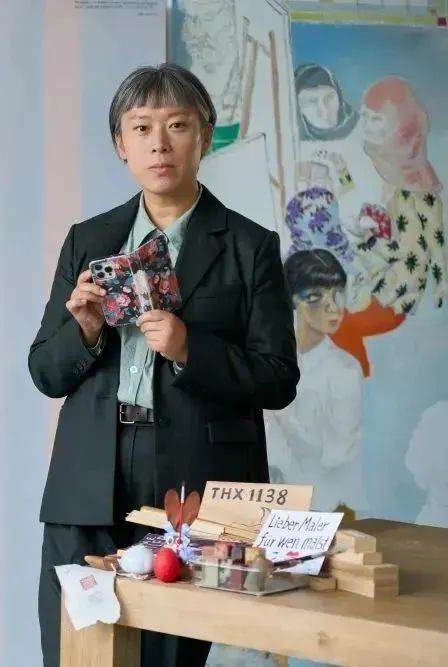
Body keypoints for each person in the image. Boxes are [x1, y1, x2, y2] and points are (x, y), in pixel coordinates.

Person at [28, 63, 299, 667]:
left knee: (165, 658)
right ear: (120, 144)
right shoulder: (88, 240)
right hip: (87, 476)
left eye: (177, 125)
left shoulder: (249, 246)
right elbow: (45, 371)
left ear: (203, 137)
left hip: (192, 483)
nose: (159, 143)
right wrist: (85, 331)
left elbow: (279, 377)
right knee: (74, 652)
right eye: (142, 127)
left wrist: (189, 349)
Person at [265, 249, 366, 515]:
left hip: (322, 504)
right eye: (315, 297)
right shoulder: (268, 358)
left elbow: (339, 458)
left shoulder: (344, 371)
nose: (333, 307)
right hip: (262, 500)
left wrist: (282, 420)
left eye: (337, 294)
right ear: (292, 301)